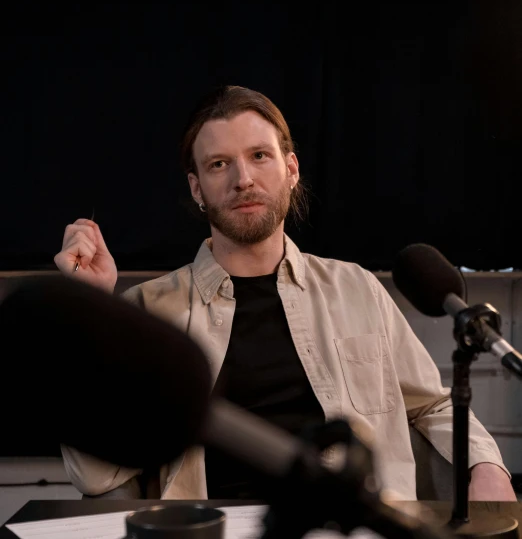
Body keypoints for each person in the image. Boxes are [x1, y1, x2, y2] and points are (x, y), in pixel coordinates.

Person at [54, 85, 516, 501]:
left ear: (291, 169)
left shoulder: (357, 288)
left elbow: (431, 403)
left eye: (260, 156)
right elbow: (96, 477)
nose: (243, 180)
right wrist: (87, 312)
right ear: (197, 187)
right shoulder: (147, 312)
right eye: (219, 164)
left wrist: (486, 464)